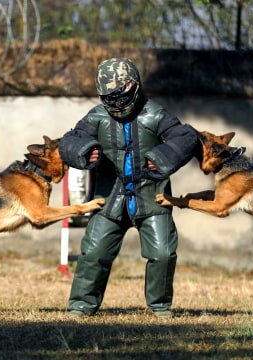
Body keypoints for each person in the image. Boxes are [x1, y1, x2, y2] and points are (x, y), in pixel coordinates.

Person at [58, 57, 197, 318]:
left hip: (152, 199)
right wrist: (84, 151)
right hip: (109, 201)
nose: (117, 103)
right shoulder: (96, 116)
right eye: (110, 97)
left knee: (163, 254)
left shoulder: (155, 113)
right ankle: (80, 307)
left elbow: (185, 137)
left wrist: (162, 158)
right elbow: (70, 140)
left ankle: (160, 307)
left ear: (134, 86)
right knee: (93, 253)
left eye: (121, 95)